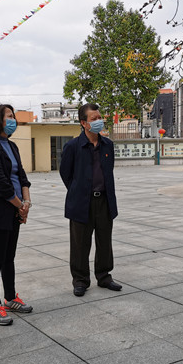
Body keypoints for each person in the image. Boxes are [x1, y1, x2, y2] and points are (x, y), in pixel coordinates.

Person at [59, 103, 122, 297]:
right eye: (94, 119)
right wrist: (78, 190)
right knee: (80, 243)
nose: (98, 121)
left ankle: (104, 276)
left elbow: (108, 171)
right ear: (84, 123)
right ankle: (80, 280)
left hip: (104, 200)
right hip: (81, 202)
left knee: (104, 241)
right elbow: (65, 173)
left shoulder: (107, 145)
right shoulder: (72, 146)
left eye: (99, 117)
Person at [0, 104, 33, 326]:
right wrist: (20, 205)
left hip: (15, 208)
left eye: (13, 116)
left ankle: (10, 298)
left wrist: (26, 202)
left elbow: (22, 176)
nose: (13, 120)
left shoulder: (11, 145)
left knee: (9, 257)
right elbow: (0, 184)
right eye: (9, 116)